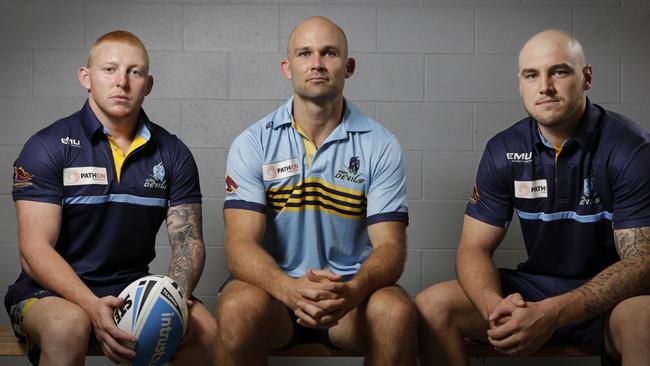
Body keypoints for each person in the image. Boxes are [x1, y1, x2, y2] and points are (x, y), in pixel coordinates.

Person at [416, 29, 650, 366]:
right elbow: (473, 249)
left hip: (611, 300)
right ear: (520, 84)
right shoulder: (504, 149)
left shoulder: (630, 148)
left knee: (645, 321)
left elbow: (641, 264)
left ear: (586, 78)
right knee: (431, 306)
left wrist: (553, 314)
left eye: (559, 71)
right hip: (537, 288)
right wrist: (494, 308)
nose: (545, 86)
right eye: (532, 75)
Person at [5, 30, 216, 365]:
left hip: (129, 292)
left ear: (148, 84)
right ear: (85, 78)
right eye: (110, 70)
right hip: (48, 295)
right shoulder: (47, 146)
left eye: (135, 72)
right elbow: (34, 251)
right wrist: (90, 305)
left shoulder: (173, 153)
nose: (122, 82)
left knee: (205, 328)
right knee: (67, 326)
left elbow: (188, 241)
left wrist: (173, 300)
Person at [217, 16, 416, 366]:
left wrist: (351, 291)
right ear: (287, 67)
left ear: (348, 66)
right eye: (305, 53)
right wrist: (288, 289)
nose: (317, 64)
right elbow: (239, 246)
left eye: (329, 53)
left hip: (349, 301)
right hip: (275, 298)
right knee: (236, 308)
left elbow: (390, 248)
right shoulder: (253, 143)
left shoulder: (380, 145)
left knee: (397, 313)